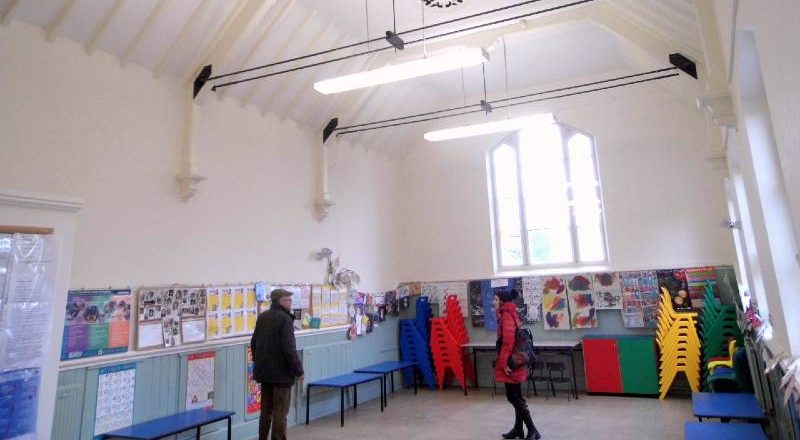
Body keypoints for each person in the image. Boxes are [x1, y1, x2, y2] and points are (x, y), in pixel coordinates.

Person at [251, 289, 304, 440]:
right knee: (280, 412)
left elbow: (253, 343)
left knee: (266, 411)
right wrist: (299, 371)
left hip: (264, 373)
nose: (290, 303)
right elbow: (289, 349)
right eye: (288, 300)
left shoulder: (262, 317)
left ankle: (262, 438)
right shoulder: (285, 319)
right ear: (280, 301)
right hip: (281, 375)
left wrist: (259, 362)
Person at [495, 289, 541, 440]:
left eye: (495, 299)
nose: (493, 302)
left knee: (513, 398)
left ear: (502, 301)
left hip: (512, 362)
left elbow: (508, 343)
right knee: (517, 396)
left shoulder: (506, 315)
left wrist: (505, 364)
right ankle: (518, 429)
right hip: (516, 360)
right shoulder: (510, 313)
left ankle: (533, 430)